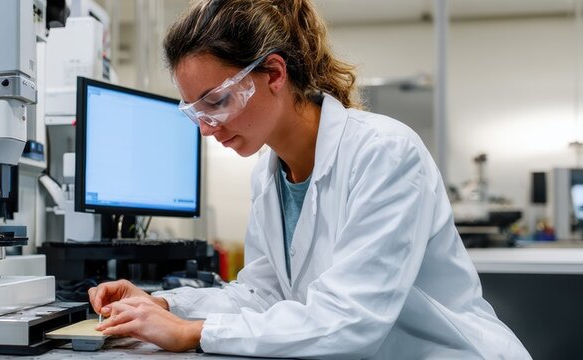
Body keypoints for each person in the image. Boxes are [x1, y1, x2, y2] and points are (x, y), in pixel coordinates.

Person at [87, 0, 531, 358]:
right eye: (196, 112)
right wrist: (163, 305)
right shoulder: (270, 173)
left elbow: (350, 320)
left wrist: (193, 332)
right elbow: (265, 295)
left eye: (217, 102)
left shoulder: (383, 153)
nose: (206, 128)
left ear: (275, 73)